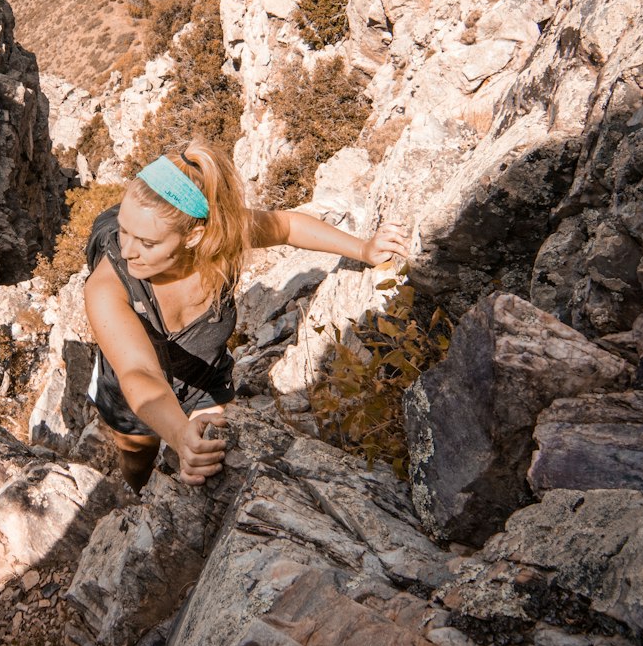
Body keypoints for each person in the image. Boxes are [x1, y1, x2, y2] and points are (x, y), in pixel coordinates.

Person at [84, 139, 408, 492]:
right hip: (131, 388)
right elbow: (139, 371)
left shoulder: (221, 240)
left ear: (194, 237)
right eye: (124, 231)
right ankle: (135, 493)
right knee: (136, 453)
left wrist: (363, 248)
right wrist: (178, 435)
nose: (129, 251)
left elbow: (286, 228)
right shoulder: (106, 288)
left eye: (146, 242)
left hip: (206, 376)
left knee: (218, 453)